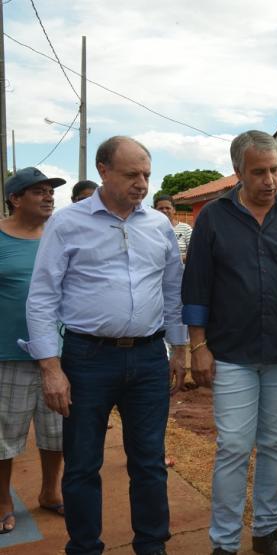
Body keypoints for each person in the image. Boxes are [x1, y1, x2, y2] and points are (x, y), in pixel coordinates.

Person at [22, 137, 187, 555]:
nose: (142, 184)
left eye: (147, 175)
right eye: (132, 175)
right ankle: (84, 548)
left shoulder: (158, 224)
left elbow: (172, 290)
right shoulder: (68, 223)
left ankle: (152, 546)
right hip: (87, 359)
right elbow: (43, 296)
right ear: (103, 170)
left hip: (149, 357)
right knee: (82, 464)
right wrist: (50, 367)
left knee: (149, 462)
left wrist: (179, 348)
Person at [182, 131, 277, 555]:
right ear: (238, 172)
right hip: (231, 352)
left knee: (273, 443)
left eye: (275, 169)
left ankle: (267, 532)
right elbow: (196, 287)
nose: (269, 180)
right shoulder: (213, 218)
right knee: (233, 446)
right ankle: (224, 543)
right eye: (258, 172)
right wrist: (199, 346)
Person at [0, 167, 66, 535]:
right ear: (15, 198)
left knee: (56, 431)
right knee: (4, 435)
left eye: (50, 191)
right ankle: (3, 500)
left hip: (59, 355)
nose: (48, 196)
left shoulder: (58, 236)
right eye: (38, 191)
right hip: (7, 355)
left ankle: (49, 491)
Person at [153, 194, 193, 262]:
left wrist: (172, 259)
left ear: (174, 210)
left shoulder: (186, 229)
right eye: (160, 208)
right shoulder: (150, 229)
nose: (164, 211)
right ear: (154, 210)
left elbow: (194, 253)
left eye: (167, 208)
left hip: (181, 272)